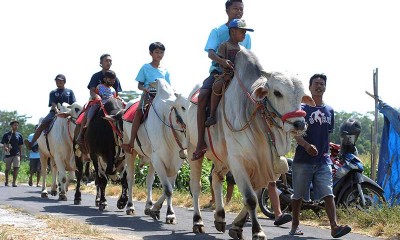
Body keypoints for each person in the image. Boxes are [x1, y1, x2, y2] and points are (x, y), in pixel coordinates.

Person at [290, 74, 351, 238]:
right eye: (316, 83)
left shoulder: (330, 110)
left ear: (325, 87)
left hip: (323, 160)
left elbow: (327, 135)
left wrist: (331, 154)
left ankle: (334, 227)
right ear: (309, 87)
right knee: (298, 195)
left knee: (328, 193)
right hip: (303, 160)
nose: (319, 86)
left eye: (322, 84)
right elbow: (295, 133)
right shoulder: (302, 109)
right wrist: (306, 145)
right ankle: (295, 225)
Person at [192, 0, 251, 161]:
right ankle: (199, 142)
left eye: (241, 9)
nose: (239, 11)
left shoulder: (246, 35)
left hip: (240, 75)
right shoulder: (218, 31)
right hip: (219, 71)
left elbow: (248, 56)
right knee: (203, 95)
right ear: (227, 10)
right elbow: (210, 53)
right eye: (235, 8)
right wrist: (222, 62)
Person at [121, 42, 171, 154]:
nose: (159, 54)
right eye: (157, 52)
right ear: (151, 53)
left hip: (162, 96)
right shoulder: (145, 67)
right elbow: (139, 85)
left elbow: (168, 86)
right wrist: (145, 89)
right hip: (149, 94)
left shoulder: (165, 70)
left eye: (161, 52)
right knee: (138, 112)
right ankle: (131, 142)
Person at [204, 18, 253, 127]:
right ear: (232, 31)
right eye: (242, 31)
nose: (244, 34)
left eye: (245, 32)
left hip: (240, 77)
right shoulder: (224, 45)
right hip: (227, 75)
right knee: (217, 85)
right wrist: (225, 65)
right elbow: (221, 61)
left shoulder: (243, 50)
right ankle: (212, 115)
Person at [76, 54, 123, 145]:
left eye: (110, 61)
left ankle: (124, 134)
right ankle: (82, 133)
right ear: (101, 62)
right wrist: (96, 96)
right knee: (88, 111)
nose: (108, 62)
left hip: (112, 101)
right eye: (106, 60)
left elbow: (117, 93)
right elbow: (92, 91)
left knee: (124, 111)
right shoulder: (96, 76)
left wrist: (120, 100)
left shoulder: (115, 77)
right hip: (98, 100)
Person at [25, 74, 76, 149]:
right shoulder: (53, 92)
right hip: (54, 112)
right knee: (42, 124)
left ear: (64, 81)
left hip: (68, 112)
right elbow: (53, 103)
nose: (58, 82)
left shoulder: (70, 91)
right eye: (57, 80)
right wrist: (57, 111)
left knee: (78, 122)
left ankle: (81, 143)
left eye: (60, 80)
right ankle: (31, 143)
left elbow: (74, 103)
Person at [1, 120, 23, 187]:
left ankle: (14, 182)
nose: (16, 126)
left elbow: (20, 146)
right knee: (7, 169)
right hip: (8, 154)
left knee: (16, 167)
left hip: (16, 154)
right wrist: (5, 147)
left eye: (17, 125)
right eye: (15, 125)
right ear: (11, 126)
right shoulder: (6, 135)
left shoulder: (19, 135)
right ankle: (7, 181)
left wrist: (20, 154)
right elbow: (3, 143)